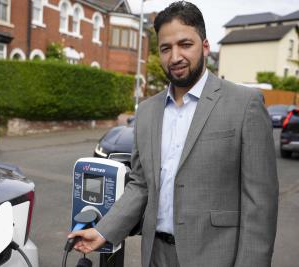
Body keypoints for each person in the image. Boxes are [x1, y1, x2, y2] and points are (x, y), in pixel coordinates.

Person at [68, 1, 279, 266]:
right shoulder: (146, 111)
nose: (175, 56)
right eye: (166, 48)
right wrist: (103, 231)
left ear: (204, 46)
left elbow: (260, 203)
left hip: (217, 258)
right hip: (156, 255)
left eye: (185, 44)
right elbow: (141, 186)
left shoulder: (244, 104)